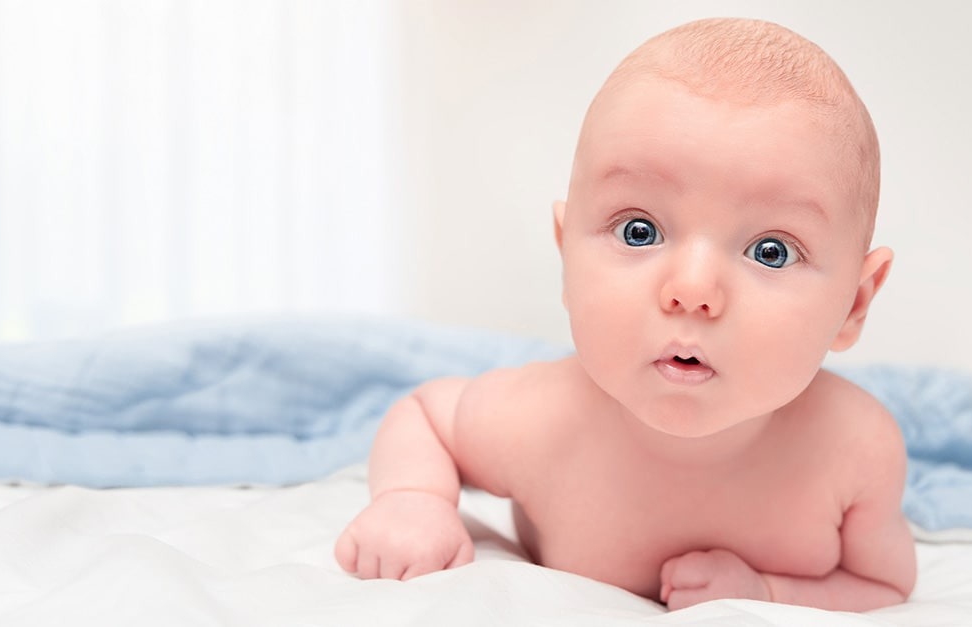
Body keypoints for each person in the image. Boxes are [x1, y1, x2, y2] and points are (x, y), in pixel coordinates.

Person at [335, 17, 916, 612]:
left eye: (771, 251)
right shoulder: (539, 422)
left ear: (854, 302)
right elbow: (426, 416)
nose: (692, 291)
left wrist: (766, 591)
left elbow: (885, 586)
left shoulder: (856, 452)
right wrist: (414, 499)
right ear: (567, 257)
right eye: (640, 231)